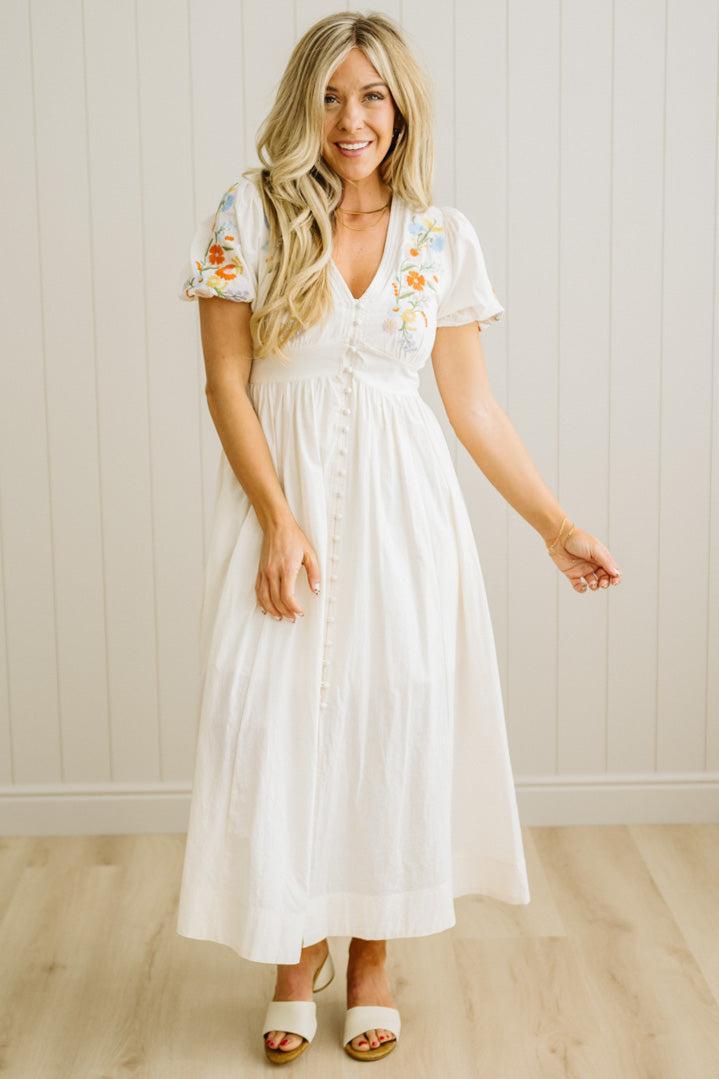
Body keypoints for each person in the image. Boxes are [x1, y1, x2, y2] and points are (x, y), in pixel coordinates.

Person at [176, 10, 622, 1066]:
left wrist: (555, 526)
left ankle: (369, 958)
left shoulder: (441, 238)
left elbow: (471, 408)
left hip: (404, 519)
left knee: (390, 717)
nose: (349, 117)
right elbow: (226, 384)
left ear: (401, 108)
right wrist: (279, 518)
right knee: (273, 723)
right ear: (302, 107)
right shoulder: (248, 213)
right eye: (328, 96)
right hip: (278, 511)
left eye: (370, 95)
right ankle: (294, 953)